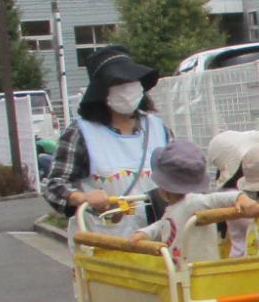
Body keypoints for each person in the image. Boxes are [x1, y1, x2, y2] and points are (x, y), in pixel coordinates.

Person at [40, 46, 172, 225]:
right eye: (117, 83)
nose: (126, 89)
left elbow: (177, 176)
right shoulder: (81, 133)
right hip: (105, 239)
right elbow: (54, 186)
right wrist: (83, 198)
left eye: (131, 81)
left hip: (158, 237)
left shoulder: (158, 128)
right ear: (101, 91)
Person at [134, 140, 251, 258]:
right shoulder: (173, 209)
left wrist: (239, 197)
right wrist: (145, 233)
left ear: (164, 187)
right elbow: (163, 225)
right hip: (182, 271)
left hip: (202, 271)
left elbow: (216, 199)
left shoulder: (193, 202)